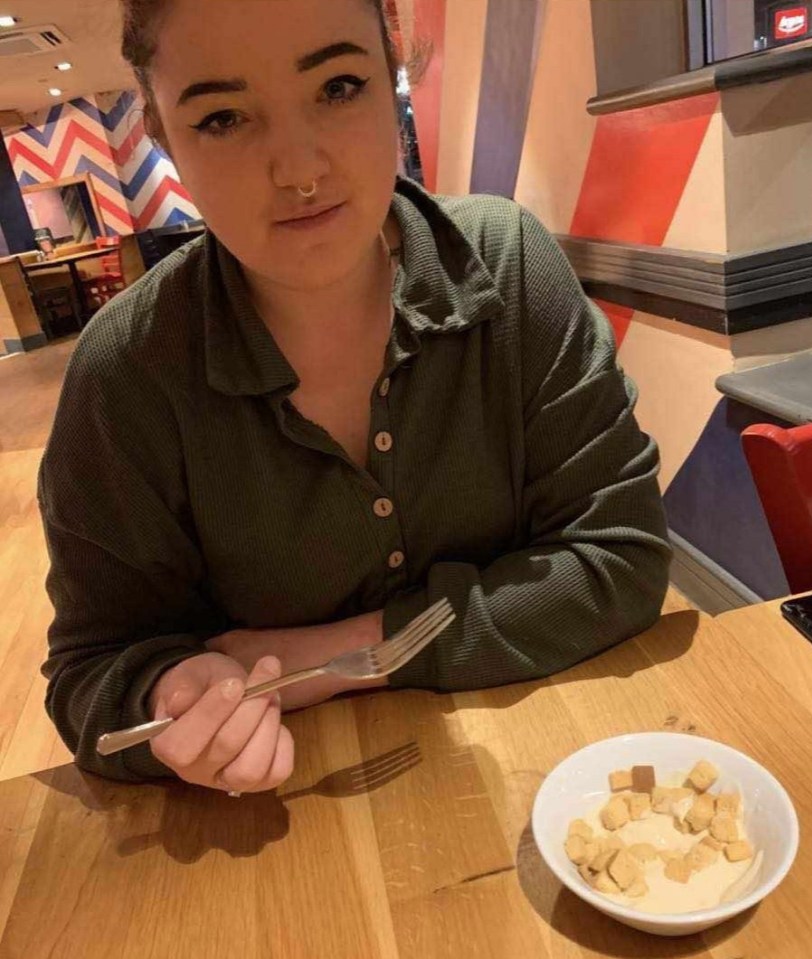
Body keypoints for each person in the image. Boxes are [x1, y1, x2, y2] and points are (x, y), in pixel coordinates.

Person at [38, 0, 671, 796]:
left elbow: (622, 557)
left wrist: (344, 655)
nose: (299, 170)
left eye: (338, 87)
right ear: (163, 139)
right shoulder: (126, 375)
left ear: (394, 72)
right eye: (224, 117)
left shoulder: (507, 265)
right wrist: (169, 699)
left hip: (556, 776)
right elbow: (90, 677)